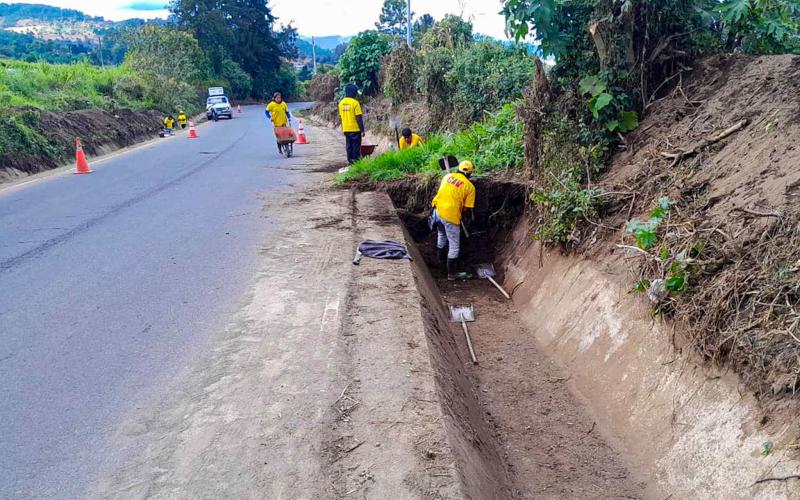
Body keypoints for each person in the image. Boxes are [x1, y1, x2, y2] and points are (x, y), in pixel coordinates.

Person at [430, 161, 476, 280]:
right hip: (450, 215)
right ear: (470, 173)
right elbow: (467, 208)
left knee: (442, 235)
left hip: (437, 211)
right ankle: (452, 273)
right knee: (454, 244)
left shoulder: (447, 177)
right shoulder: (470, 187)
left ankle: (441, 265)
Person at [338, 83, 365, 164]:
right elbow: (358, 118)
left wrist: (343, 128)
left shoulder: (341, 103)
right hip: (355, 128)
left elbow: (341, 117)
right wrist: (362, 130)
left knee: (349, 146)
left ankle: (350, 161)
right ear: (354, 92)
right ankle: (356, 162)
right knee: (356, 146)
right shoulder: (355, 103)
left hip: (346, 129)